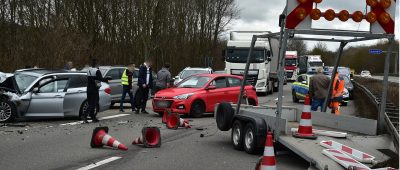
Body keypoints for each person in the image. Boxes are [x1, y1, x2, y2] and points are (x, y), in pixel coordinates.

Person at [83, 59, 106, 123]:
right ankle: (85, 116)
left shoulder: (89, 70)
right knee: (94, 103)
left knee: (90, 103)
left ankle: (93, 117)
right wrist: (106, 79)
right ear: (97, 65)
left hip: (88, 89)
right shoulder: (97, 71)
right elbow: (100, 79)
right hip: (94, 89)